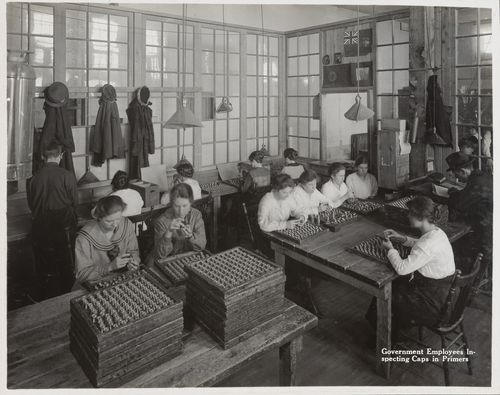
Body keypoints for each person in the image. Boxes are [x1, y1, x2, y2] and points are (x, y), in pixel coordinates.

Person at [366, 196, 456, 333]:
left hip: (432, 304)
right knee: (396, 287)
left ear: (420, 217)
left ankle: (386, 340)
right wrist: (403, 239)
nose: (408, 216)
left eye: (410, 213)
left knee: (384, 294)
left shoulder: (428, 244)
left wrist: (390, 249)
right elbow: (422, 245)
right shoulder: (437, 232)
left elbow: (402, 268)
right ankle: (390, 330)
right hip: (444, 294)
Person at [27, 141, 78, 297]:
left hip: (42, 226)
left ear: (43, 157)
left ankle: (47, 295)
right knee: (66, 263)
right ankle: (66, 294)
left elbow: (31, 205)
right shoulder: (67, 176)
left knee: (46, 265)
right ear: (61, 156)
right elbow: (75, 202)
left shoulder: (33, 178)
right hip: (64, 227)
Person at [73, 196, 140, 289]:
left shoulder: (126, 224)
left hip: (123, 278)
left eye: (118, 219)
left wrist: (134, 261)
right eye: (109, 221)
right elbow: (81, 275)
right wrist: (109, 267)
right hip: (94, 284)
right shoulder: (84, 238)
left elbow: (134, 251)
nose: (115, 224)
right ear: (99, 218)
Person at [446, 151, 493, 273]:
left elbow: (460, 205)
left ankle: (467, 277)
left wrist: (452, 194)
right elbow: (470, 195)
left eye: (457, 176)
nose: (458, 179)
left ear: (463, 171)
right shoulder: (483, 176)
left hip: (489, 235)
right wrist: (457, 193)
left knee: (457, 248)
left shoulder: (477, 183)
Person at [150, 183, 207, 264]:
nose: (181, 211)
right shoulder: (162, 221)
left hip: (190, 258)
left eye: (184, 206)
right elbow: (160, 256)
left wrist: (191, 236)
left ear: (190, 203)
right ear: (171, 204)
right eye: (177, 206)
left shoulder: (196, 215)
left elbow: (201, 246)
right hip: (169, 261)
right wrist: (168, 232)